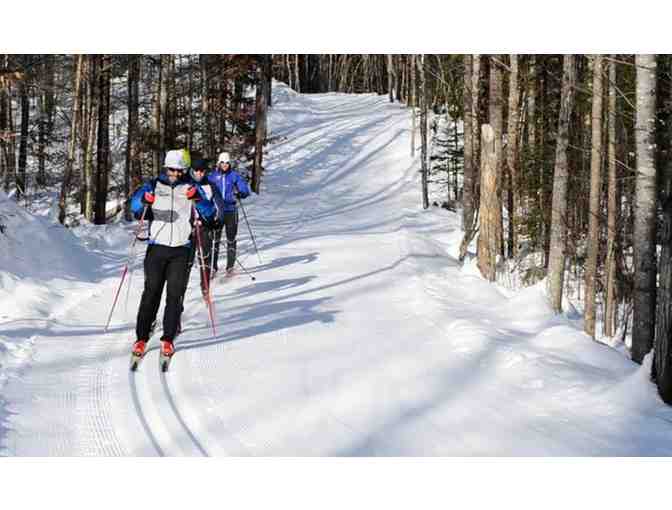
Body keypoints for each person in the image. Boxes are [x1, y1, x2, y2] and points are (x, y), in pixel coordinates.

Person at [129, 149, 217, 360]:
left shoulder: (191, 186)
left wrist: (198, 199)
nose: (175, 174)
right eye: (172, 170)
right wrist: (143, 200)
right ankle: (141, 337)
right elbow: (134, 206)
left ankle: (168, 338)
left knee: (174, 296)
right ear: (165, 168)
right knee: (151, 293)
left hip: (181, 249)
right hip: (156, 248)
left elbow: (209, 212)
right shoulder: (153, 185)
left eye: (179, 171)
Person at [207, 151, 251, 277]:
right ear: (218, 163)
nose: (225, 165)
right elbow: (205, 189)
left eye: (227, 163)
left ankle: (230, 266)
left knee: (231, 238)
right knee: (215, 239)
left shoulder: (234, 175)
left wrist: (241, 193)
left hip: (231, 210)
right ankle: (213, 266)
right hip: (218, 211)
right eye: (222, 162)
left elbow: (244, 189)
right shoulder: (212, 176)